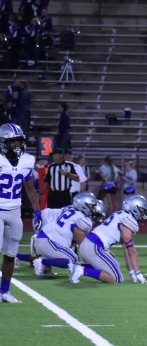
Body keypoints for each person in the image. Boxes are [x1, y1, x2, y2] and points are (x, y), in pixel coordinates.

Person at [0, 123, 41, 303]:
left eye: (19, 141)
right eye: (12, 141)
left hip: (14, 211)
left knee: (11, 254)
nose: (17, 145)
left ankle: (4, 292)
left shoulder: (27, 161)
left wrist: (37, 211)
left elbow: (30, 188)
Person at [73, 194, 147, 284]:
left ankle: (77, 266)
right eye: (141, 210)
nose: (142, 214)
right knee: (116, 278)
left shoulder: (120, 215)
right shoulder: (128, 221)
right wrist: (138, 273)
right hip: (94, 246)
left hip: (89, 244)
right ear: (134, 209)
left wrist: (133, 274)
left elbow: (126, 249)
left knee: (116, 265)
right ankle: (81, 270)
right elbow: (131, 251)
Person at [32, 192, 97, 277]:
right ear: (84, 206)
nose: (93, 209)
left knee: (71, 253)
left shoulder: (72, 210)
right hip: (49, 240)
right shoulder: (82, 219)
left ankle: (20, 257)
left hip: (45, 236)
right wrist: (91, 263)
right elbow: (82, 246)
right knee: (73, 260)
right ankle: (42, 262)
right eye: (92, 207)